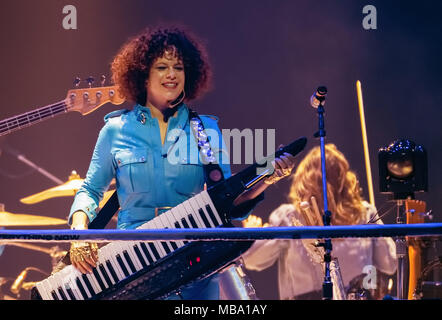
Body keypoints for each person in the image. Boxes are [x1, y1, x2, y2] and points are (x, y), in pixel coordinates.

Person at [67, 26, 296, 300]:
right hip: (131, 265)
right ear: (143, 74)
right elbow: (90, 191)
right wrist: (79, 233)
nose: (172, 74)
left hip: (193, 266)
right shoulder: (115, 130)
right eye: (162, 67)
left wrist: (267, 178)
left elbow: (227, 205)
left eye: (179, 67)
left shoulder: (206, 130)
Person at [241, 143, 397, 300]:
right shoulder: (364, 212)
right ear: (344, 179)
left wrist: (252, 234)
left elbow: (252, 260)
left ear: (304, 179)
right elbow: (390, 263)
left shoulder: (290, 216)